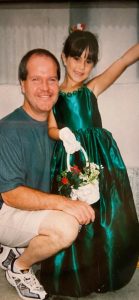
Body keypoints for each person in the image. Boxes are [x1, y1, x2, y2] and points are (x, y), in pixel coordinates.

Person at [40, 30, 139, 297]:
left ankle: (102, 272)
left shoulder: (91, 88)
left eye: (88, 61)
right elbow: (51, 127)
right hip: (71, 161)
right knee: (75, 216)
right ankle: (73, 275)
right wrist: (61, 133)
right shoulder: (54, 96)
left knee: (104, 216)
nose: (82, 66)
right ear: (64, 57)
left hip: (100, 158)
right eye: (76, 58)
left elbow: (122, 61)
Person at [0, 48, 95, 300]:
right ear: (22, 84)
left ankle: (14, 248)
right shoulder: (8, 128)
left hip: (34, 209)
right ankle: (18, 266)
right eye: (36, 79)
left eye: (52, 79)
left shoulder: (60, 128)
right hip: (5, 211)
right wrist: (66, 205)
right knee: (66, 227)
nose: (45, 87)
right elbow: (11, 195)